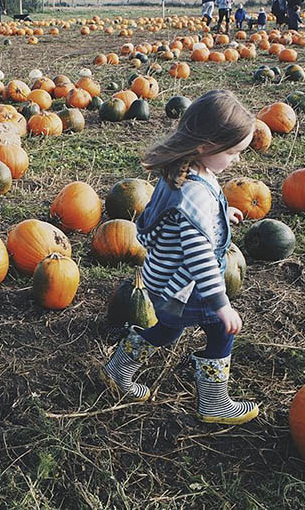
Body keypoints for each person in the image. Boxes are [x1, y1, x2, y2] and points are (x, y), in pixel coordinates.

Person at [100, 90, 259, 425]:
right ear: (205, 146)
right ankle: (214, 404)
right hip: (186, 285)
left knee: (166, 331)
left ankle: (118, 369)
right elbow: (200, 257)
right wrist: (221, 304)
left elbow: (184, 218)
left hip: (164, 279)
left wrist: (220, 215)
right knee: (221, 330)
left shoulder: (183, 171)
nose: (236, 160)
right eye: (232, 152)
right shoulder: (193, 193)